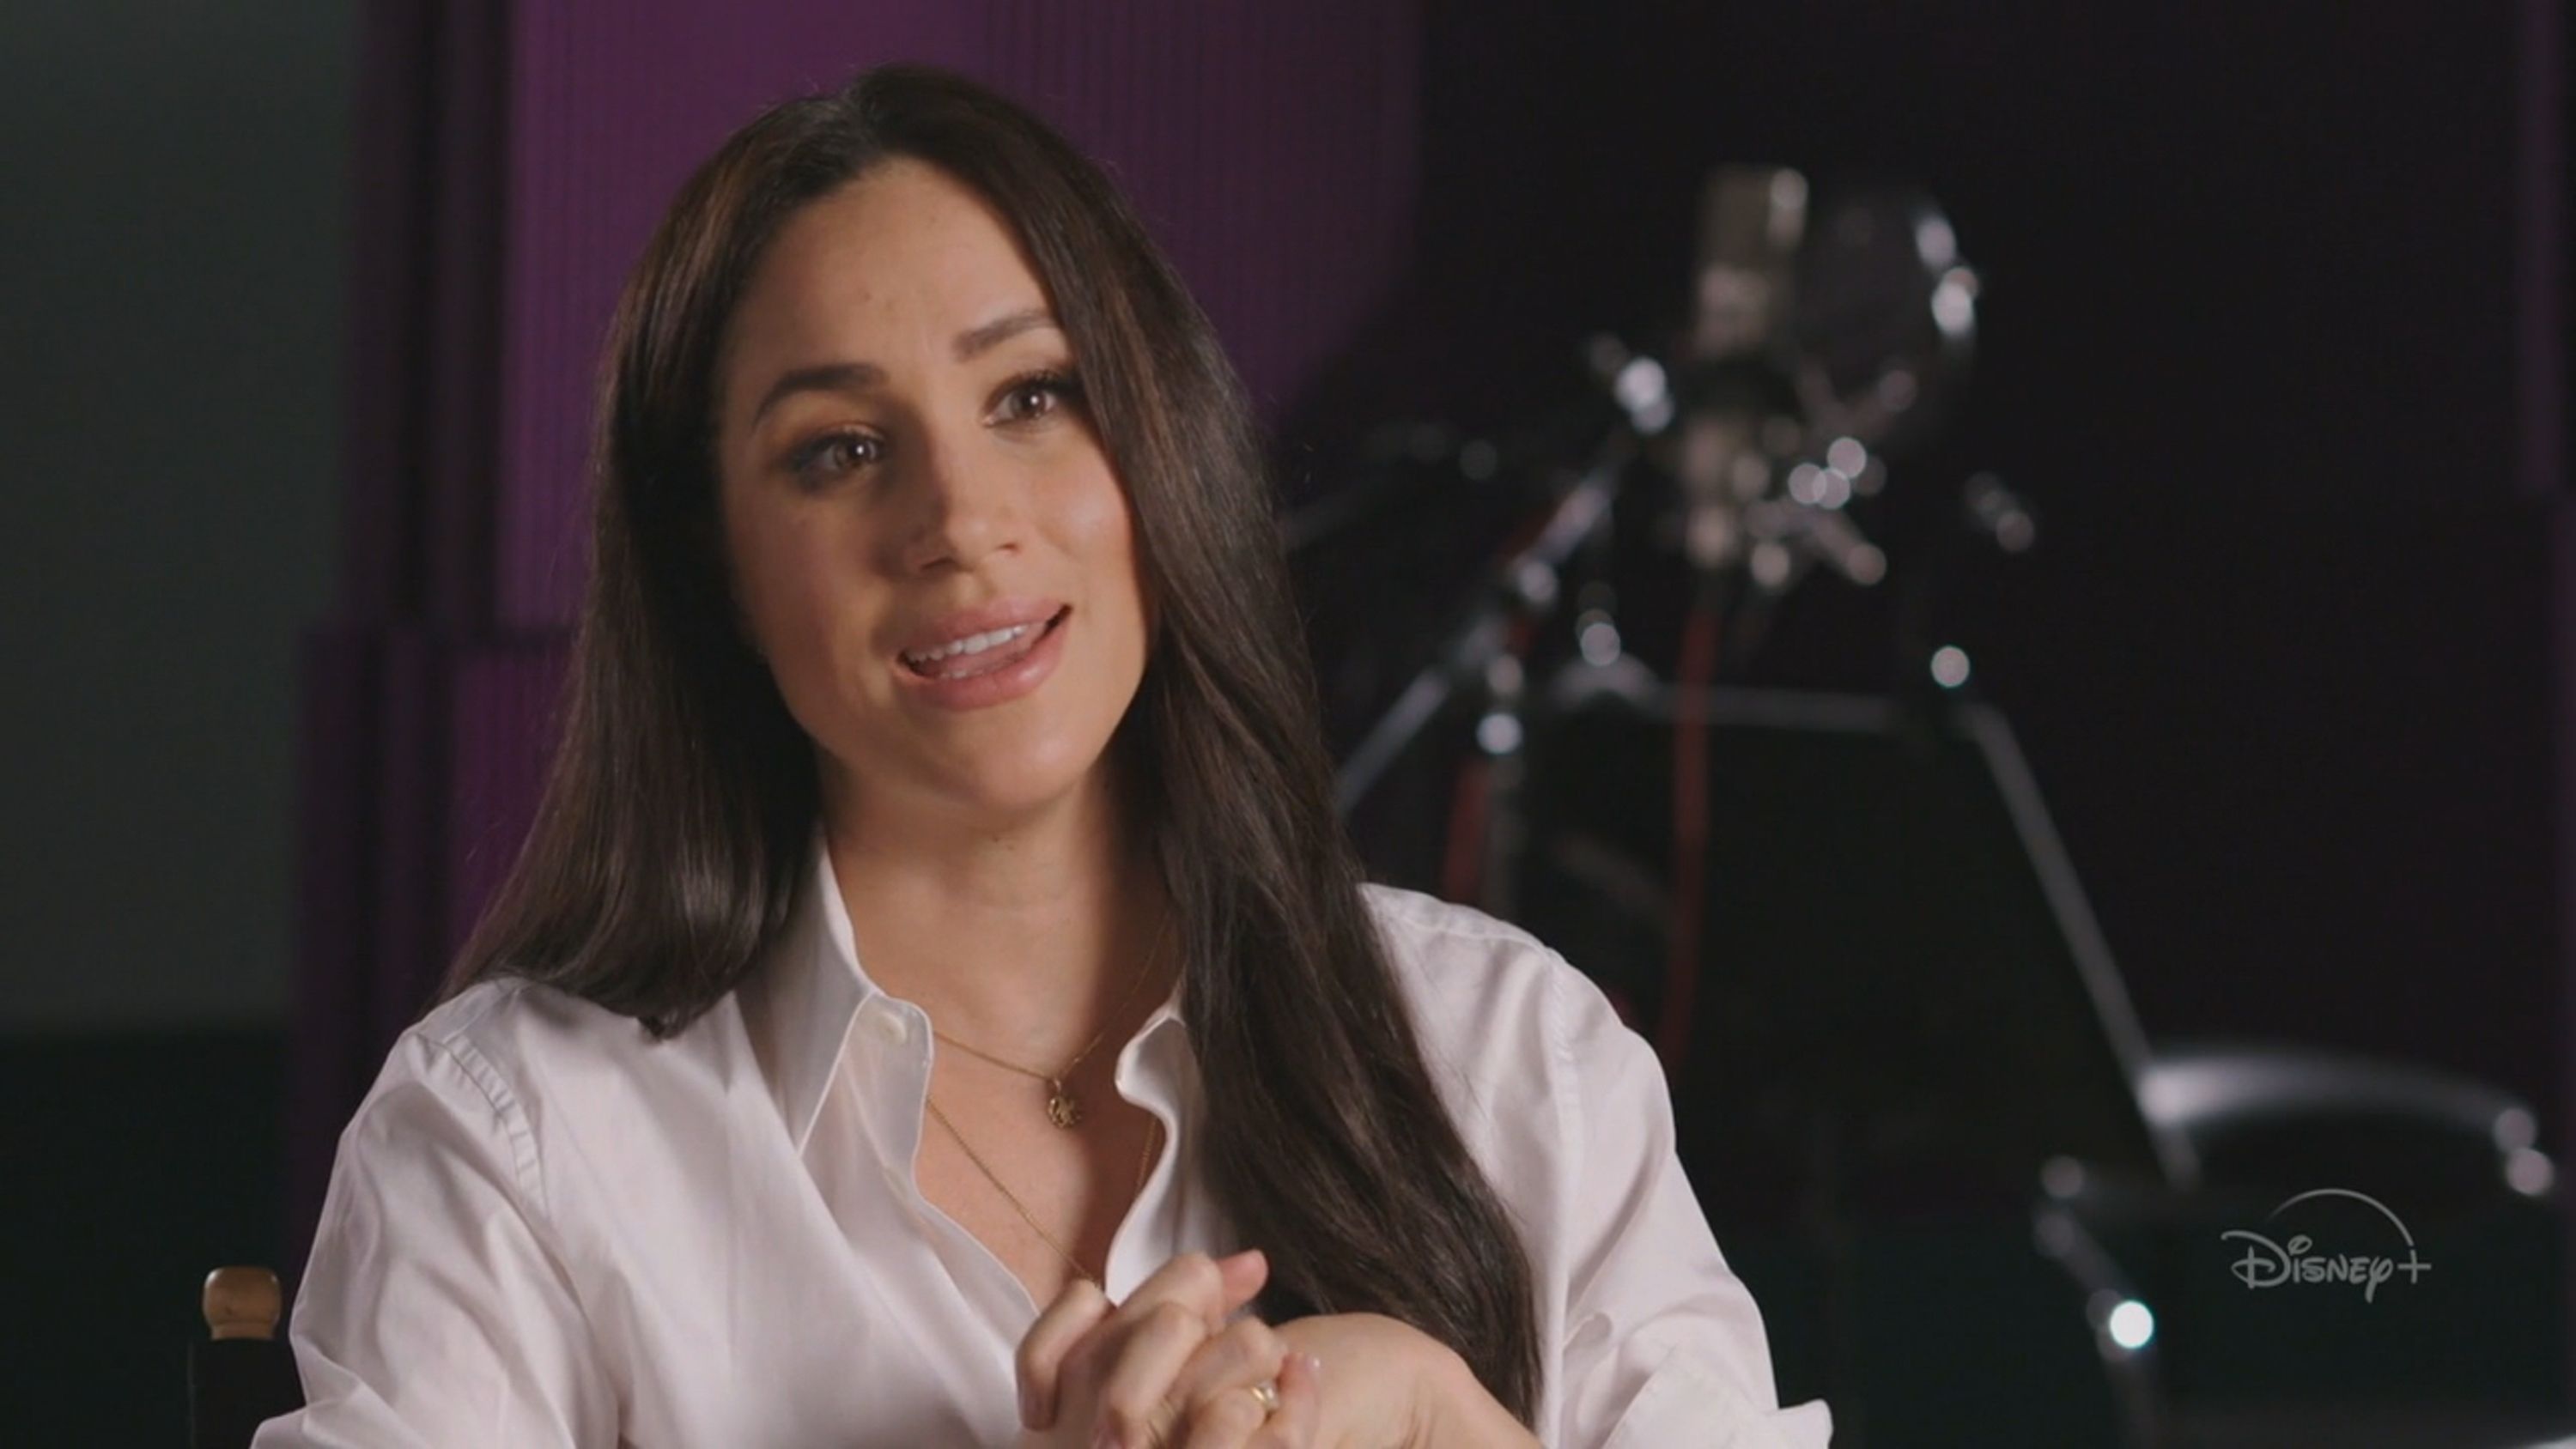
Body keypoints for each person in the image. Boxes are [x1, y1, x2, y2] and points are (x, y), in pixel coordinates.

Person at [254, 64, 1832, 1449]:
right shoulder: (515, 1142)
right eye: (841, 451)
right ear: (714, 568)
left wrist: (1449, 1423)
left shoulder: (1514, 1067)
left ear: (1163, 448)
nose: (957, 521)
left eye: (1033, 396)